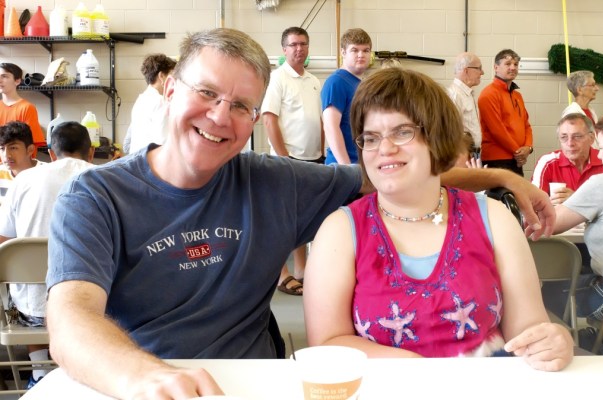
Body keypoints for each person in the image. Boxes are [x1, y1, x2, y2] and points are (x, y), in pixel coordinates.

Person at [45, 28, 556, 400]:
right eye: (207, 93)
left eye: (241, 106)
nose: (220, 116)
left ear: (255, 119)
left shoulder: (273, 182)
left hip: (256, 384)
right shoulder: (96, 196)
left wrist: (503, 179)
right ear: (170, 89)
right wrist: (144, 377)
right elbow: (70, 322)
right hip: (135, 383)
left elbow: (396, 173)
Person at [304, 67, 572, 372]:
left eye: (402, 132)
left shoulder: (494, 219)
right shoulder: (340, 230)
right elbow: (327, 342)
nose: (385, 149)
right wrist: (424, 373)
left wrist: (551, 341)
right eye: (371, 138)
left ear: (436, 137)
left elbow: (527, 330)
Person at [0, 121, 94, 388]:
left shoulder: (24, 179)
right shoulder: (109, 178)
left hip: (35, 315)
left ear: (51, 154)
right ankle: (81, 375)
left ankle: (40, 371)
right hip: (96, 310)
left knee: (33, 291)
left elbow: (3, 241)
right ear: (91, 153)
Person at [261, 26, 324, 295]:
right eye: (294, 44)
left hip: (313, 158)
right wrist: (284, 158)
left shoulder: (313, 80)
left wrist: (322, 151)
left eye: (303, 44)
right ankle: (281, 274)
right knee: (283, 220)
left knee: (304, 218)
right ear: (284, 50)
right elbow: (269, 119)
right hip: (288, 160)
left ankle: (301, 269)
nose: (299, 49)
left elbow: (320, 120)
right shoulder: (278, 78)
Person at [545, 112, 603, 345]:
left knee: (548, 293)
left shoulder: (602, 184)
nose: (600, 154)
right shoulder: (549, 162)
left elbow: (550, 224)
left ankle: (581, 345)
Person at [478, 49, 533, 176]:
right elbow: (497, 130)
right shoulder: (488, 94)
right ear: (496, 67)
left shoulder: (517, 96)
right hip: (496, 160)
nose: (513, 67)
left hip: (516, 158)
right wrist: (519, 152)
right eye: (508, 64)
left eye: (515, 64)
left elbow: (526, 125)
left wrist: (528, 148)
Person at [322, 28, 372, 165]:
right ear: (343, 52)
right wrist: (346, 167)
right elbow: (331, 127)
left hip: (359, 164)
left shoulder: (360, 84)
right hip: (343, 166)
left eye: (366, 50)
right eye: (355, 50)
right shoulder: (336, 82)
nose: (361, 55)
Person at [531, 113, 603, 205]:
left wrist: (577, 199)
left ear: (591, 138)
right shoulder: (548, 163)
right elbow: (533, 204)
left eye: (577, 136)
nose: (570, 143)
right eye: (564, 137)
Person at [123, 54, 177, 154]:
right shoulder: (160, 102)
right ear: (161, 76)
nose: (174, 82)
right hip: (151, 160)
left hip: (138, 159)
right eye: (172, 76)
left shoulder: (141, 99)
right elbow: (163, 144)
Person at [0, 63, 46, 156]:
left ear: (17, 81)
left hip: (17, 163)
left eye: (4, 76)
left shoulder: (27, 108)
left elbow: (31, 146)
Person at [447, 52, 484, 154]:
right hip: (463, 154)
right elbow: (451, 131)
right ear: (466, 70)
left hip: (472, 153)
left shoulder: (465, 93)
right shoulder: (455, 95)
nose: (482, 72)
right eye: (479, 68)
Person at [0, 121, 44, 200]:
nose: (6, 155)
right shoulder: (1, 173)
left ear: (30, 150)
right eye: (2, 148)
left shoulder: (46, 173)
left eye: (13, 148)